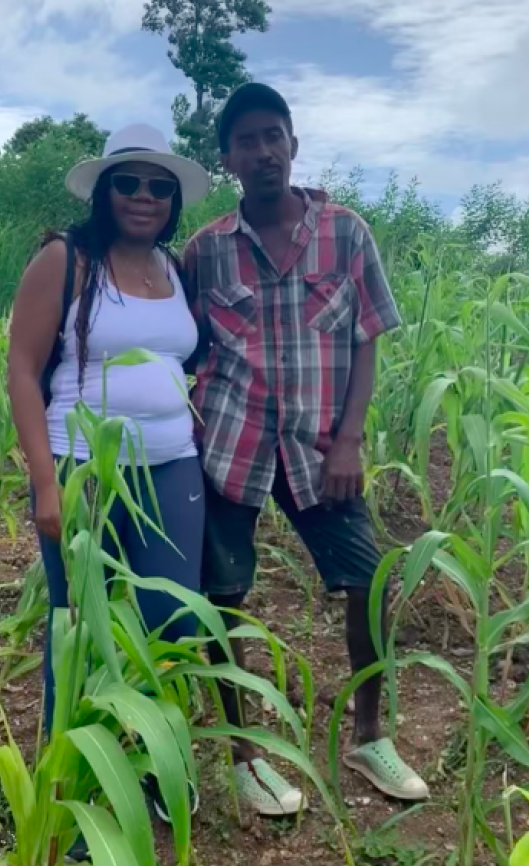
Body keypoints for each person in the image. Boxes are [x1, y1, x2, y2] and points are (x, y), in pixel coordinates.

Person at [184, 83, 429, 815]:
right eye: (247, 141)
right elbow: (180, 349)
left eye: (274, 136)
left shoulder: (347, 234)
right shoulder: (205, 252)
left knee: (368, 580)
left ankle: (368, 734)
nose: (263, 152)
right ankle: (244, 755)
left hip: (322, 449)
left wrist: (350, 439)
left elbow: (366, 342)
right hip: (230, 445)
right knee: (223, 596)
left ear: (294, 143)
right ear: (226, 157)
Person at [7, 124, 211, 814]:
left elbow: (184, 358)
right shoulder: (68, 260)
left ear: (174, 199)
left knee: (171, 623)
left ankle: (153, 770)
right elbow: (23, 369)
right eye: (129, 182)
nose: (144, 196)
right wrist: (44, 480)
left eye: (160, 186)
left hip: (173, 466)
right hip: (84, 465)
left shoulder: (173, 267)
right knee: (77, 624)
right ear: (104, 190)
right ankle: (66, 775)